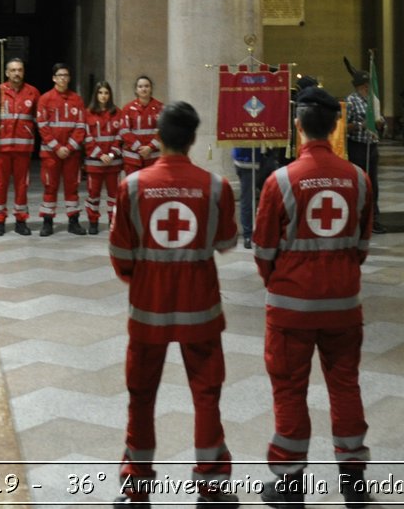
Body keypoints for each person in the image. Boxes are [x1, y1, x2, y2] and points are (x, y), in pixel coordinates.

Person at [109, 102, 240, 506]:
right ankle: (212, 485)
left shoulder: (131, 186)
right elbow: (226, 243)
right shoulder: (215, 187)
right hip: (200, 308)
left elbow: (120, 255)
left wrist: (146, 277)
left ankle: (136, 489)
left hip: (148, 309)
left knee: (141, 396)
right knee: (206, 395)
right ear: (193, 139)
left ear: (158, 137)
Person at [253, 86, 374, 509]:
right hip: (344, 305)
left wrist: (282, 281)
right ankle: (354, 483)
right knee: (345, 387)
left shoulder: (280, 180)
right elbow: (361, 245)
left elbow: (264, 250)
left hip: (291, 307)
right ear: (337, 124)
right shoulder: (359, 178)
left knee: (288, 389)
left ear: (297, 125)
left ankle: (289, 485)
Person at [35, 62, 87, 236]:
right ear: (54, 78)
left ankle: (74, 221)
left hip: (71, 154)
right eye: (60, 75)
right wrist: (57, 147)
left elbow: (81, 126)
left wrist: (70, 147)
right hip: (51, 153)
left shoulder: (77, 99)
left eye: (66, 75)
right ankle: (47, 222)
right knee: (50, 186)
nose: (63, 78)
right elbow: (43, 126)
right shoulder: (45, 99)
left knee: (72, 187)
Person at [0, 57, 39, 237]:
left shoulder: (33, 93)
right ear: (6, 73)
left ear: (23, 72)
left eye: (19, 69)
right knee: (0, 185)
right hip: (1, 148)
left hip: (23, 149)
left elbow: (38, 119)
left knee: (22, 186)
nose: (16, 73)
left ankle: (21, 220)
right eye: (13, 70)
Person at [344, 71, 385, 234]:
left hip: (372, 147)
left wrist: (380, 125)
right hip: (357, 147)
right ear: (359, 87)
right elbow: (343, 127)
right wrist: (361, 124)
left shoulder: (373, 101)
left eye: (370, 86)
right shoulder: (351, 101)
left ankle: (373, 218)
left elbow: (381, 123)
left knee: (373, 184)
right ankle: (356, 218)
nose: (369, 88)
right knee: (358, 183)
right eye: (366, 86)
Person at [83, 81, 126, 235]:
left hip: (113, 162)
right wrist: (100, 154)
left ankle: (112, 220)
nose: (103, 96)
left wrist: (111, 154)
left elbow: (120, 136)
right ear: (96, 95)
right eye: (100, 93)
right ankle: (93, 221)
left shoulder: (118, 113)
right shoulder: (87, 113)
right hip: (95, 162)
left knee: (114, 195)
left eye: (106, 93)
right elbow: (87, 137)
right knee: (93, 194)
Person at [121, 75, 163, 174]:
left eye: (146, 86)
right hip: (133, 159)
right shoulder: (128, 108)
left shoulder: (160, 108)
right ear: (136, 90)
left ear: (151, 88)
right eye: (140, 86)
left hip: (153, 157)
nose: (143, 89)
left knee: (152, 188)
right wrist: (139, 149)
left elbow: (164, 130)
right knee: (134, 189)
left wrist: (150, 147)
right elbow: (124, 131)